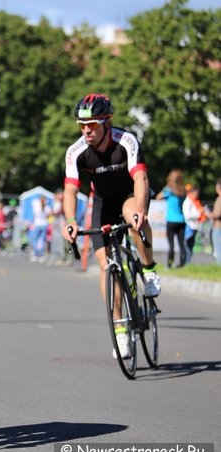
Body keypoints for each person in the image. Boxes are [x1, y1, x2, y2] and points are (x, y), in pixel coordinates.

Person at [61, 93, 161, 359]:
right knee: (105, 265)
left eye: (92, 124)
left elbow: (140, 177)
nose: (86, 130)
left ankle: (149, 269)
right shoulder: (76, 151)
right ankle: (119, 329)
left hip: (130, 194)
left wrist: (140, 209)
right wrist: (70, 222)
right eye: (82, 125)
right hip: (103, 202)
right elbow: (70, 191)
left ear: (106, 122)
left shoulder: (125, 141)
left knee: (132, 217)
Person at [155, 169, 186, 268]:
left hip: (171, 220)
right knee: (181, 245)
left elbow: (158, 197)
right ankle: (182, 264)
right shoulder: (182, 190)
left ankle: (169, 264)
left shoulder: (168, 190)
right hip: (181, 220)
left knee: (171, 244)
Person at [182, 185, 205, 265]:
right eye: (195, 193)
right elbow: (187, 215)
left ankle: (187, 263)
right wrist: (199, 213)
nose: (197, 195)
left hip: (194, 226)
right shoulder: (187, 202)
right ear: (191, 193)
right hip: (189, 226)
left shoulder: (194, 201)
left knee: (190, 247)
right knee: (187, 246)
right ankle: (185, 263)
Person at [212, 178, 221, 265]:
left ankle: (219, 267)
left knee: (218, 248)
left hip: (218, 227)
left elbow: (217, 214)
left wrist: (210, 214)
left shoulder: (219, 199)